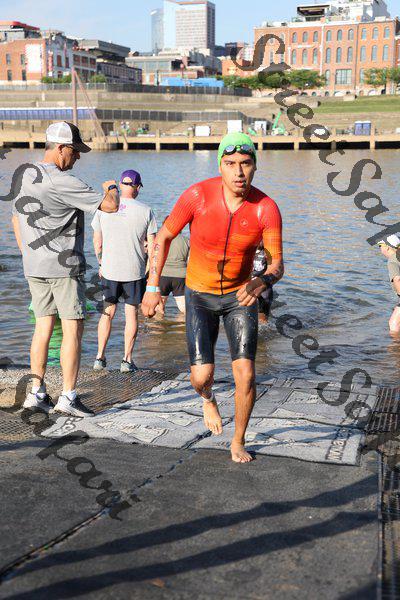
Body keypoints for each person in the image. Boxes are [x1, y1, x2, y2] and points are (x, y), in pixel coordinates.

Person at [142, 132, 284, 463]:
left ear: (255, 167)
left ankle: (238, 440)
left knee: (246, 375)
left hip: (239, 297)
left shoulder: (266, 209)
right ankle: (208, 399)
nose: (238, 172)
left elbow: (277, 263)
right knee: (201, 377)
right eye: (230, 163)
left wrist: (261, 281)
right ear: (220, 166)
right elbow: (163, 237)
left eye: (245, 163)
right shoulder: (197, 196)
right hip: (199, 295)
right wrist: (152, 287)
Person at [12, 121, 120, 417]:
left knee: (42, 327)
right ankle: (68, 397)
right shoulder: (63, 181)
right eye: (75, 150)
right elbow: (111, 206)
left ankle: (36, 393)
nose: (78, 156)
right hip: (64, 269)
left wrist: (28, 254)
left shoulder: (24, 175)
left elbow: (15, 219)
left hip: (34, 266)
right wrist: (111, 187)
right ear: (60, 148)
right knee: (73, 328)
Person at [92, 169, 157, 372]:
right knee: (131, 315)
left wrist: (101, 263)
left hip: (109, 270)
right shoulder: (146, 211)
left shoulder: (104, 208)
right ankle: (127, 361)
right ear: (137, 187)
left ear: (120, 185)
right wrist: (150, 270)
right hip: (134, 271)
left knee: (107, 313)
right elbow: (153, 247)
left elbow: (97, 241)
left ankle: (99, 357)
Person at [157, 217, 189, 314]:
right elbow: (190, 260)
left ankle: (159, 323)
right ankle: (182, 323)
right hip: (181, 277)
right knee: (184, 309)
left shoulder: (160, 239)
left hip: (163, 275)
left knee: (159, 308)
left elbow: (154, 258)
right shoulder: (186, 240)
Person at [378, 234, 400, 334]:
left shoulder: (392, 260)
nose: (380, 249)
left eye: (380, 246)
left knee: (394, 324)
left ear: (387, 247)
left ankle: (395, 343)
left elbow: (397, 279)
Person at [252, 241, 274, 323]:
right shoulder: (247, 251)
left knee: (263, 320)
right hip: (249, 286)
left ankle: (263, 325)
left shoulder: (267, 252)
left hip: (264, 288)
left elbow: (273, 269)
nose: (260, 241)